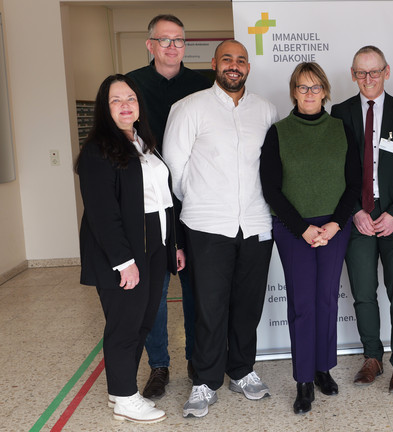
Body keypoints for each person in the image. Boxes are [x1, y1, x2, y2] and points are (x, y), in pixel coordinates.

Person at [163, 40, 277, 419]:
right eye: (227, 59)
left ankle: (241, 370)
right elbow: (174, 173)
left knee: (248, 305)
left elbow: (270, 169)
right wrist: (203, 200)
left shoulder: (265, 110)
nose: (234, 65)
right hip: (207, 224)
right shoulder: (189, 108)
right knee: (209, 307)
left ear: (248, 67)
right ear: (214, 64)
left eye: (241, 60)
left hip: (257, 223)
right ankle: (205, 381)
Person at [77, 74, 185, 424]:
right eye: (116, 100)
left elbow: (162, 200)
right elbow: (103, 213)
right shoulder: (97, 150)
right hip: (124, 249)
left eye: (130, 99)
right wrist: (124, 262)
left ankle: (121, 393)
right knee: (124, 324)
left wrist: (174, 246)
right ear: (104, 108)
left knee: (141, 321)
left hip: (156, 242)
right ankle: (124, 396)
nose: (125, 105)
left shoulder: (143, 142)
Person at [261, 62, 362, 414]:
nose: (309, 93)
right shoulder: (279, 132)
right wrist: (303, 228)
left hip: (335, 227)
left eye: (315, 87)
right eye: (302, 87)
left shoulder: (341, 129)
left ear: (325, 91)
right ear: (293, 91)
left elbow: (354, 183)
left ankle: (322, 368)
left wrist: (335, 224)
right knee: (302, 306)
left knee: (326, 300)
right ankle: (303, 380)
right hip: (293, 229)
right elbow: (271, 189)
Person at [126, 13, 211, 400]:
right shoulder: (131, 85)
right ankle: (159, 365)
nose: (173, 47)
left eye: (179, 40)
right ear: (150, 45)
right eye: (165, 40)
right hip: (150, 203)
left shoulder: (203, 84)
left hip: (195, 198)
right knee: (155, 291)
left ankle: (198, 358)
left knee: (196, 286)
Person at [330, 46, 393, 394]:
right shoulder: (339, 113)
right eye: (361, 73)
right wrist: (355, 212)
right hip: (358, 215)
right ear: (353, 75)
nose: (368, 79)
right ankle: (372, 356)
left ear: (387, 71)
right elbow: (335, 171)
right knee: (363, 291)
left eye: (375, 72)